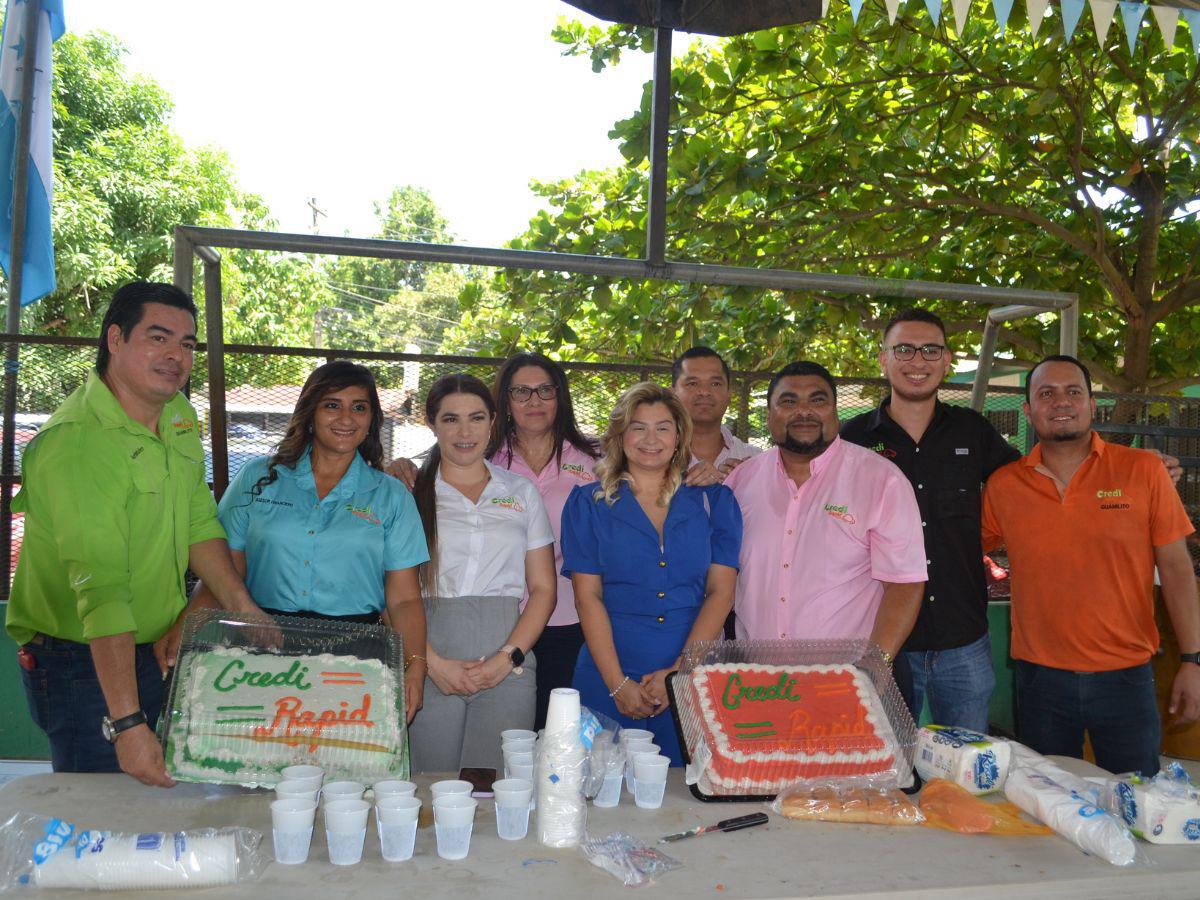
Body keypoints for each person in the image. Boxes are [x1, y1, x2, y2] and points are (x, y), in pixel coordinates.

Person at [6, 282, 260, 786]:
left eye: (187, 344)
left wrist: (240, 604)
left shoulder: (178, 415)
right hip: (81, 661)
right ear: (115, 338)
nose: (175, 356)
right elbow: (101, 593)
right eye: (158, 337)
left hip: (157, 649)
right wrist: (125, 723)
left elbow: (198, 521)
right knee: (100, 821)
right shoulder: (79, 442)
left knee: (155, 813)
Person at [981, 355, 1199, 775]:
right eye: (1046, 393)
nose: (1060, 402)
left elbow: (1176, 568)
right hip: (1040, 679)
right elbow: (962, 549)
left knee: (1136, 801)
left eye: (1073, 391)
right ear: (1028, 410)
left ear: (1091, 404)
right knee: (1050, 806)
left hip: (1126, 677)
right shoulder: (1005, 485)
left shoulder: (1143, 471)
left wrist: (1192, 660)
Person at [191, 360, 429, 721]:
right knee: (259, 765)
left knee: (345, 769)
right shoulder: (259, 477)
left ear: (372, 421)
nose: (346, 418)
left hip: (355, 654)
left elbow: (405, 599)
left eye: (359, 407)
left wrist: (415, 666)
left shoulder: (391, 496)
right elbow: (223, 570)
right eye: (332, 404)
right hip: (261, 645)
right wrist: (188, 627)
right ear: (310, 412)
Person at [839, 309, 1020, 733]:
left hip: (964, 639)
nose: (917, 361)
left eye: (930, 350)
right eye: (903, 349)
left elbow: (1033, 483)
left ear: (946, 359)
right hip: (882, 640)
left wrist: (1127, 471)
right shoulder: (853, 439)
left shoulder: (973, 432)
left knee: (965, 776)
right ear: (883, 359)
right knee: (886, 766)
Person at [561, 383, 741, 765]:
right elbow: (586, 597)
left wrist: (678, 673)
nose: (650, 439)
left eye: (663, 427)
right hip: (606, 674)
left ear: (679, 438)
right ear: (620, 435)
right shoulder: (587, 504)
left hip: (692, 675)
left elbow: (721, 595)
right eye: (637, 427)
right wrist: (617, 684)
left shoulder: (715, 501)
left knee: (686, 797)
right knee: (600, 792)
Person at [723, 362, 927, 661]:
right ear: (769, 415)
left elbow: (904, 584)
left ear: (835, 412)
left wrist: (873, 668)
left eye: (817, 401)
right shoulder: (741, 482)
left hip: (844, 680)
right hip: (758, 678)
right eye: (788, 401)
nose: (803, 411)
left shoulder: (882, 480)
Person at [406, 374, 557, 773]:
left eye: (476, 418)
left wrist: (507, 659)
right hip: (427, 658)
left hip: (508, 660)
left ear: (493, 421)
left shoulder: (521, 491)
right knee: (430, 788)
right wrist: (430, 663)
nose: (465, 431)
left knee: (497, 788)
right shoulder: (409, 493)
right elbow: (392, 593)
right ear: (432, 423)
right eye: (450, 419)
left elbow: (543, 589)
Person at [489, 353, 599, 731]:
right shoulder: (485, 461)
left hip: (573, 618)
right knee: (507, 734)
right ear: (505, 401)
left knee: (558, 731)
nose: (534, 401)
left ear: (560, 397)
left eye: (544, 391)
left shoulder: (594, 461)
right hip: (502, 617)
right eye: (521, 392)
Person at [672, 346, 760, 487]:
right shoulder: (652, 456)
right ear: (673, 394)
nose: (704, 392)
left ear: (729, 394)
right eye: (692, 383)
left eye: (715, 383)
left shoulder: (755, 461)